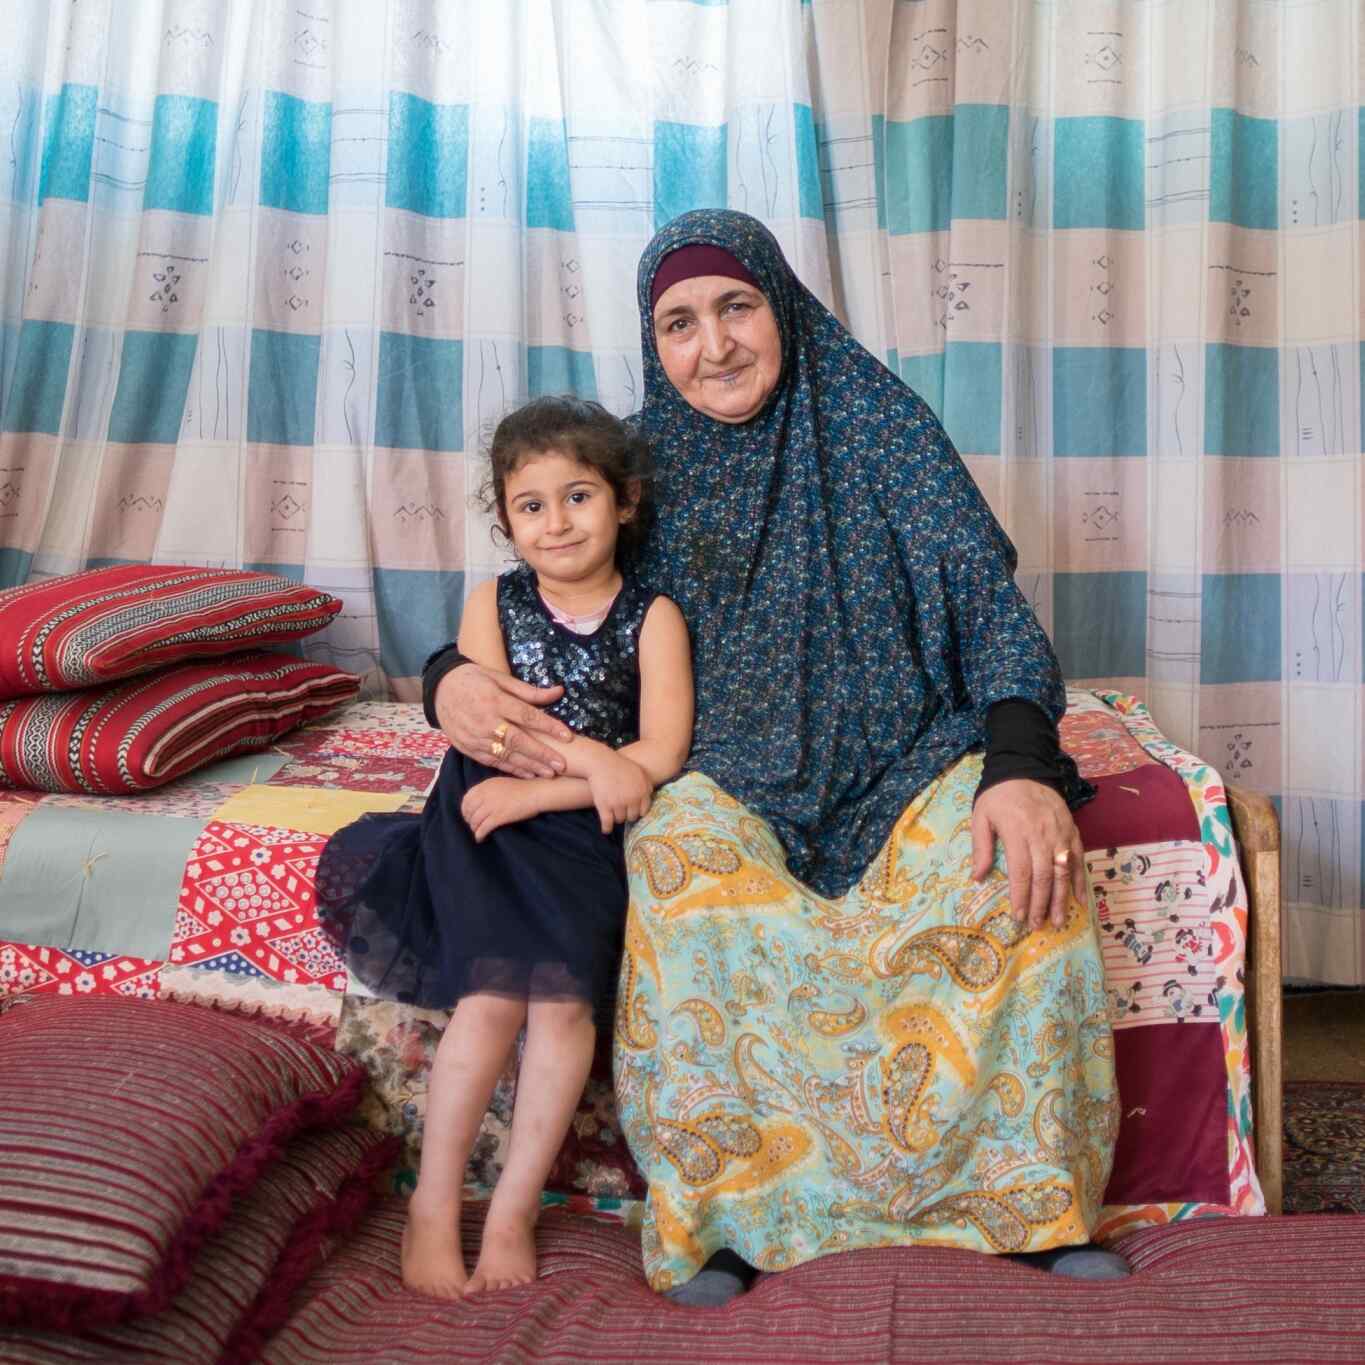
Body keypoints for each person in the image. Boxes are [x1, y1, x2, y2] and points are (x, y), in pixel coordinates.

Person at [424, 210, 1125, 1302]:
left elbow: (988, 606)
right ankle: (733, 1226)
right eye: (679, 324)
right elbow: (549, 588)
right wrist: (445, 677)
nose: (714, 346)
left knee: (1017, 875)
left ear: (782, 307)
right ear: (652, 344)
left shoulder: (881, 427)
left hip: (908, 756)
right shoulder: (632, 467)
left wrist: (1024, 765)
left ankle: (1026, 1207)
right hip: (719, 776)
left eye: (737, 308)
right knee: (680, 882)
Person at [318, 395, 692, 1299]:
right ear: (505, 517)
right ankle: (435, 1205)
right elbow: (485, 731)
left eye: (578, 497)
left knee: (564, 1009)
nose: (555, 522)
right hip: (483, 816)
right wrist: (590, 760)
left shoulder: (655, 617)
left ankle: (516, 1205)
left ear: (624, 502)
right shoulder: (492, 603)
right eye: (531, 505)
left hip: (576, 830)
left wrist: (567, 782)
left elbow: (660, 755)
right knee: (489, 1002)